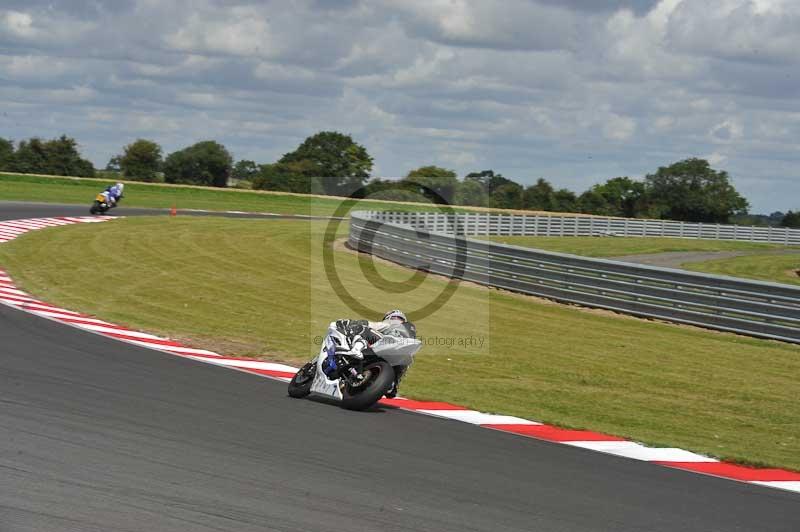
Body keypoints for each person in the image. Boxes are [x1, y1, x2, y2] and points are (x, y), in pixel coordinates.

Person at [333, 309, 415, 398]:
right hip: (396, 361)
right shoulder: (408, 338)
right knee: (404, 364)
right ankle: (393, 384)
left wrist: (351, 323)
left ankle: (356, 350)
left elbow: (369, 324)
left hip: (385, 345)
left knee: (363, 329)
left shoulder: (389, 323)